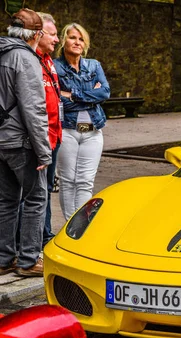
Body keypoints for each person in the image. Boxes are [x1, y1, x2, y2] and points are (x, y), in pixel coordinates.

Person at [0, 9, 51, 277]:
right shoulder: (25, 58)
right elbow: (34, 109)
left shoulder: (2, 53)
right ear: (36, 34)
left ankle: (3, 257)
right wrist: (44, 153)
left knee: (6, 200)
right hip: (20, 141)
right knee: (35, 197)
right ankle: (29, 260)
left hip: (1, 141)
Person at [54, 23, 110, 221]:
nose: (76, 42)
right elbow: (55, 100)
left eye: (80, 39)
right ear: (63, 40)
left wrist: (72, 95)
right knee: (68, 181)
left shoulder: (94, 65)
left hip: (93, 132)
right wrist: (90, 97)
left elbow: (104, 92)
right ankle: (70, 225)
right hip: (67, 130)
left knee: (86, 181)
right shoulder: (55, 66)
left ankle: (81, 224)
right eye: (72, 37)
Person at [36, 12, 62, 247]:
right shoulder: (30, 60)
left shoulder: (47, 60)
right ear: (38, 33)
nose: (57, 39)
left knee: (45, 192)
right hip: (39, 139)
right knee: (35, 194)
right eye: (52, 34)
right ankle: (32, 242)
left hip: (54, 136)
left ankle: (45, 235)